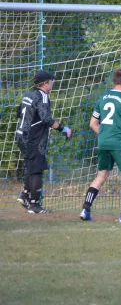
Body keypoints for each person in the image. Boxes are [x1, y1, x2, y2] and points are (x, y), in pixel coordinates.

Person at [79, 68, 121, 223]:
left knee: (101, 175)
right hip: (120, 143)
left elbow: (93, 123)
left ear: (114, 81)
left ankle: (85, 209)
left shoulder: (102, 98)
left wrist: (104, 135)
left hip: (103, 142)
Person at [16, 70, 72, 214]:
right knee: (37, 170)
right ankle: (35, 205)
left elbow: (19, 113)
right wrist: (63, 129)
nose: (53, 83)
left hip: (21, 135)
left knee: (31, 165)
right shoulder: (43, 96)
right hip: (34, 138)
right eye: (52, 81)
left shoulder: (28, 94)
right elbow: (46, 119)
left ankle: (25, 195)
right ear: (46, 83)